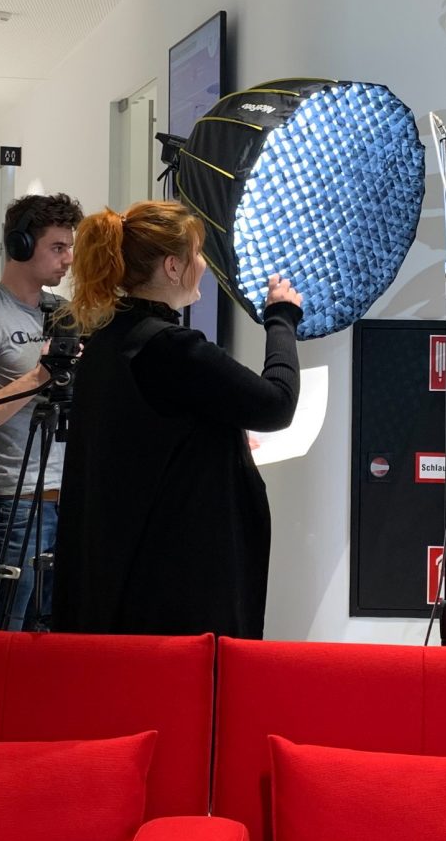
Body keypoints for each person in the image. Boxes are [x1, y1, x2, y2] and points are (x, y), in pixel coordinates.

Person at [51, 200, 302, 637]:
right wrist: (281, 318)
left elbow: (146, 440)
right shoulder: (171, 349)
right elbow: (277, 403)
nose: (203, 265)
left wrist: (218, 436)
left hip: (123, 587)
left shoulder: (110, 341)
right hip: (176, 594)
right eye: (198, 254)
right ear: (172, 266)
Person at [0, 193, 84, 628]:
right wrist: (37, 378)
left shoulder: (64, 316)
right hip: (13, 507)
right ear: (22, 245)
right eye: (57, 247)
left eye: (71, 247)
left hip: (70, 502)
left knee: (52, 646)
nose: (68, 259)